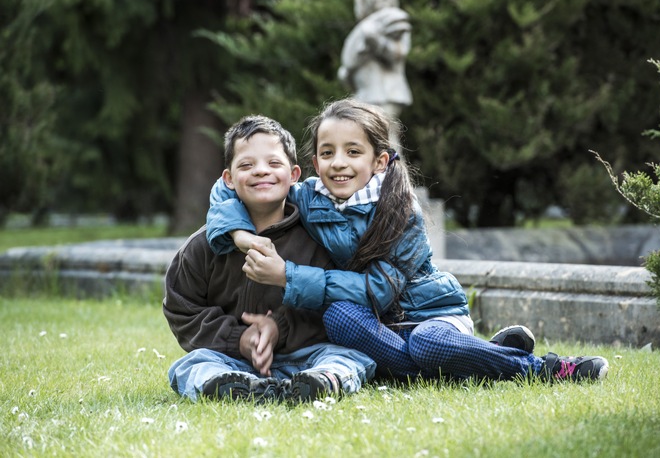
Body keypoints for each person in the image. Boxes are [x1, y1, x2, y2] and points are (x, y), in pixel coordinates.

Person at [206, 99, 609, 383]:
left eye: (352, 151)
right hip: (379, 330)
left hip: (428, 315)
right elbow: (228, 191)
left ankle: (540, 368)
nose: (339, 163)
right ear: (313, 164)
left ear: (379, 161)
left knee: (430, 345)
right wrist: (241, 236)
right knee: (337, 317)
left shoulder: (401, 212)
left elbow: (379, 291)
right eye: (327, 153)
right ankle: (472, 360)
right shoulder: (310, 197)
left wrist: (287, 276)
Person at [163, 115, 375, 404]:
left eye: (274, 163)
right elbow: (182, 308)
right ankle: (233, 387)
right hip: (233, 362)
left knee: (349, 356)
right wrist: (238, 338)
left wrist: (280, 328)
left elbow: (334, 306)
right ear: (228, 178)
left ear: (294, 174)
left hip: (307, 357)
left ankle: (321, 383)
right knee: (191, 365)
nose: (261, 171)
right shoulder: (203, 246)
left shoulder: (318, 239)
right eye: (246, 165)